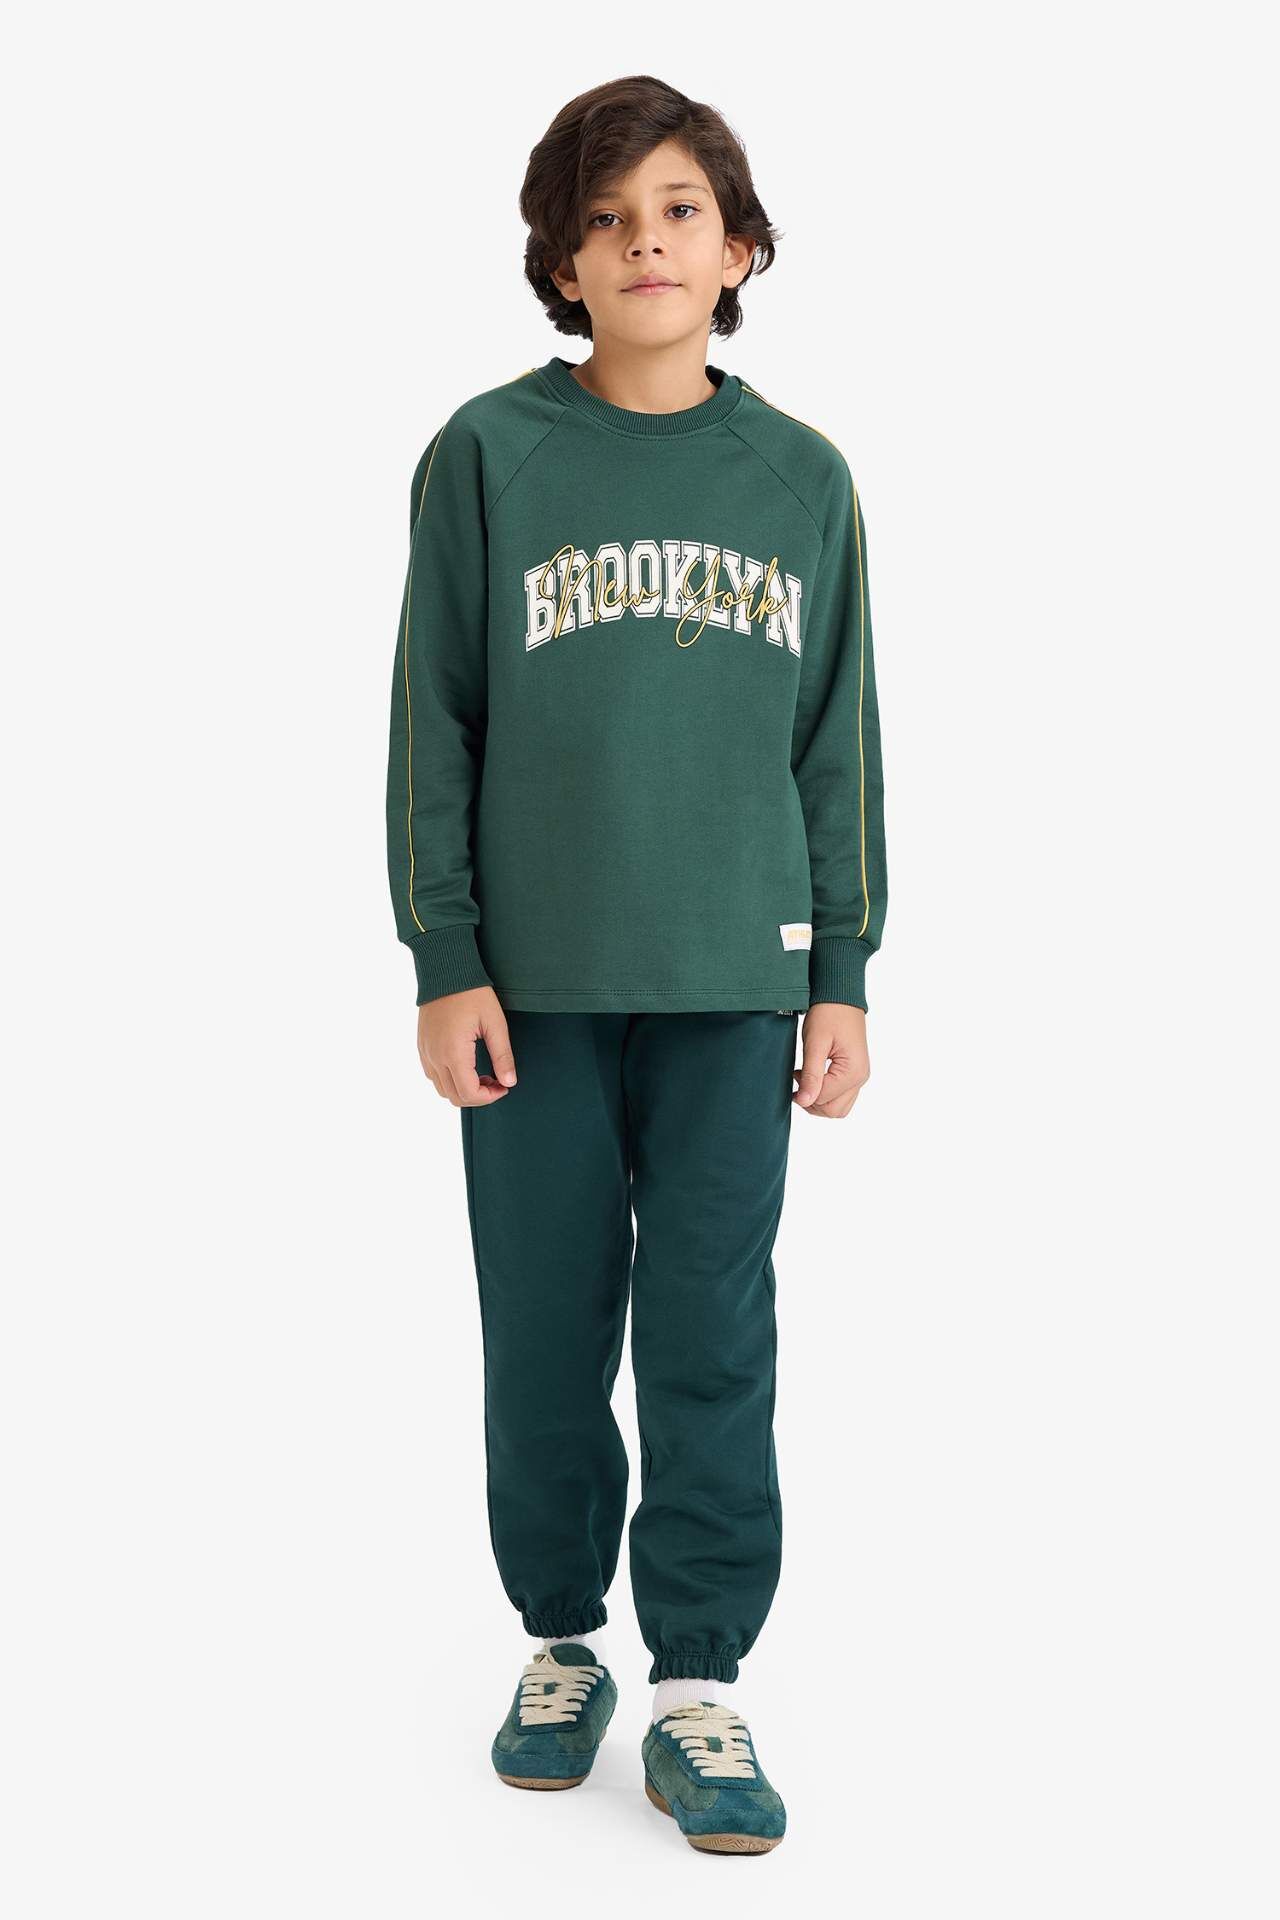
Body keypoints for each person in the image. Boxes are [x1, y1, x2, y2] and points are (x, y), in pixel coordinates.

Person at [385, 73, 887, 1857]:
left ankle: (697, 1682)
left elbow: (836, 744)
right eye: (605, 219)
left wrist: (842, 968)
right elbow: (434, 720)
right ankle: (557, 1643)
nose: (645, 242)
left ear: (738, 248)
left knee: (710, 1333)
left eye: (679, 210)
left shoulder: (800, 479)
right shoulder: (488, 456)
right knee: (541, 1327)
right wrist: (446, 954)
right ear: (562, 263)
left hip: (736, 982)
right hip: (530, 991)